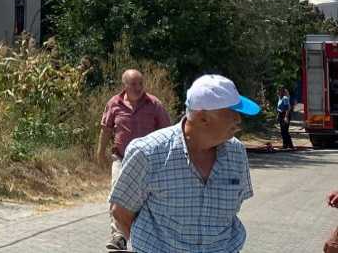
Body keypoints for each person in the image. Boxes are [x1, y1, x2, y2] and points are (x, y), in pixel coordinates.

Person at [109, 74, 260, 253]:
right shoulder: (148, 153)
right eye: (231, 113)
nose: (238, 120)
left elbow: (231, 212)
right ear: (203, 118)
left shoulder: (237, 153)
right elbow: (121, 213)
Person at [97, 69, 172, 251]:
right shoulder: (114, 103)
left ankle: (144, 235)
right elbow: (106, 129)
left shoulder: (154, 104)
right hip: (121, 157)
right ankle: (119, 236)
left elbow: (168, 132)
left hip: (148, 162)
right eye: (133, 84)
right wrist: (100, 152)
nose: (138, 88)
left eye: (140, 84)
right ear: (125, 85)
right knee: (117, 193)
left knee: (145, 199)